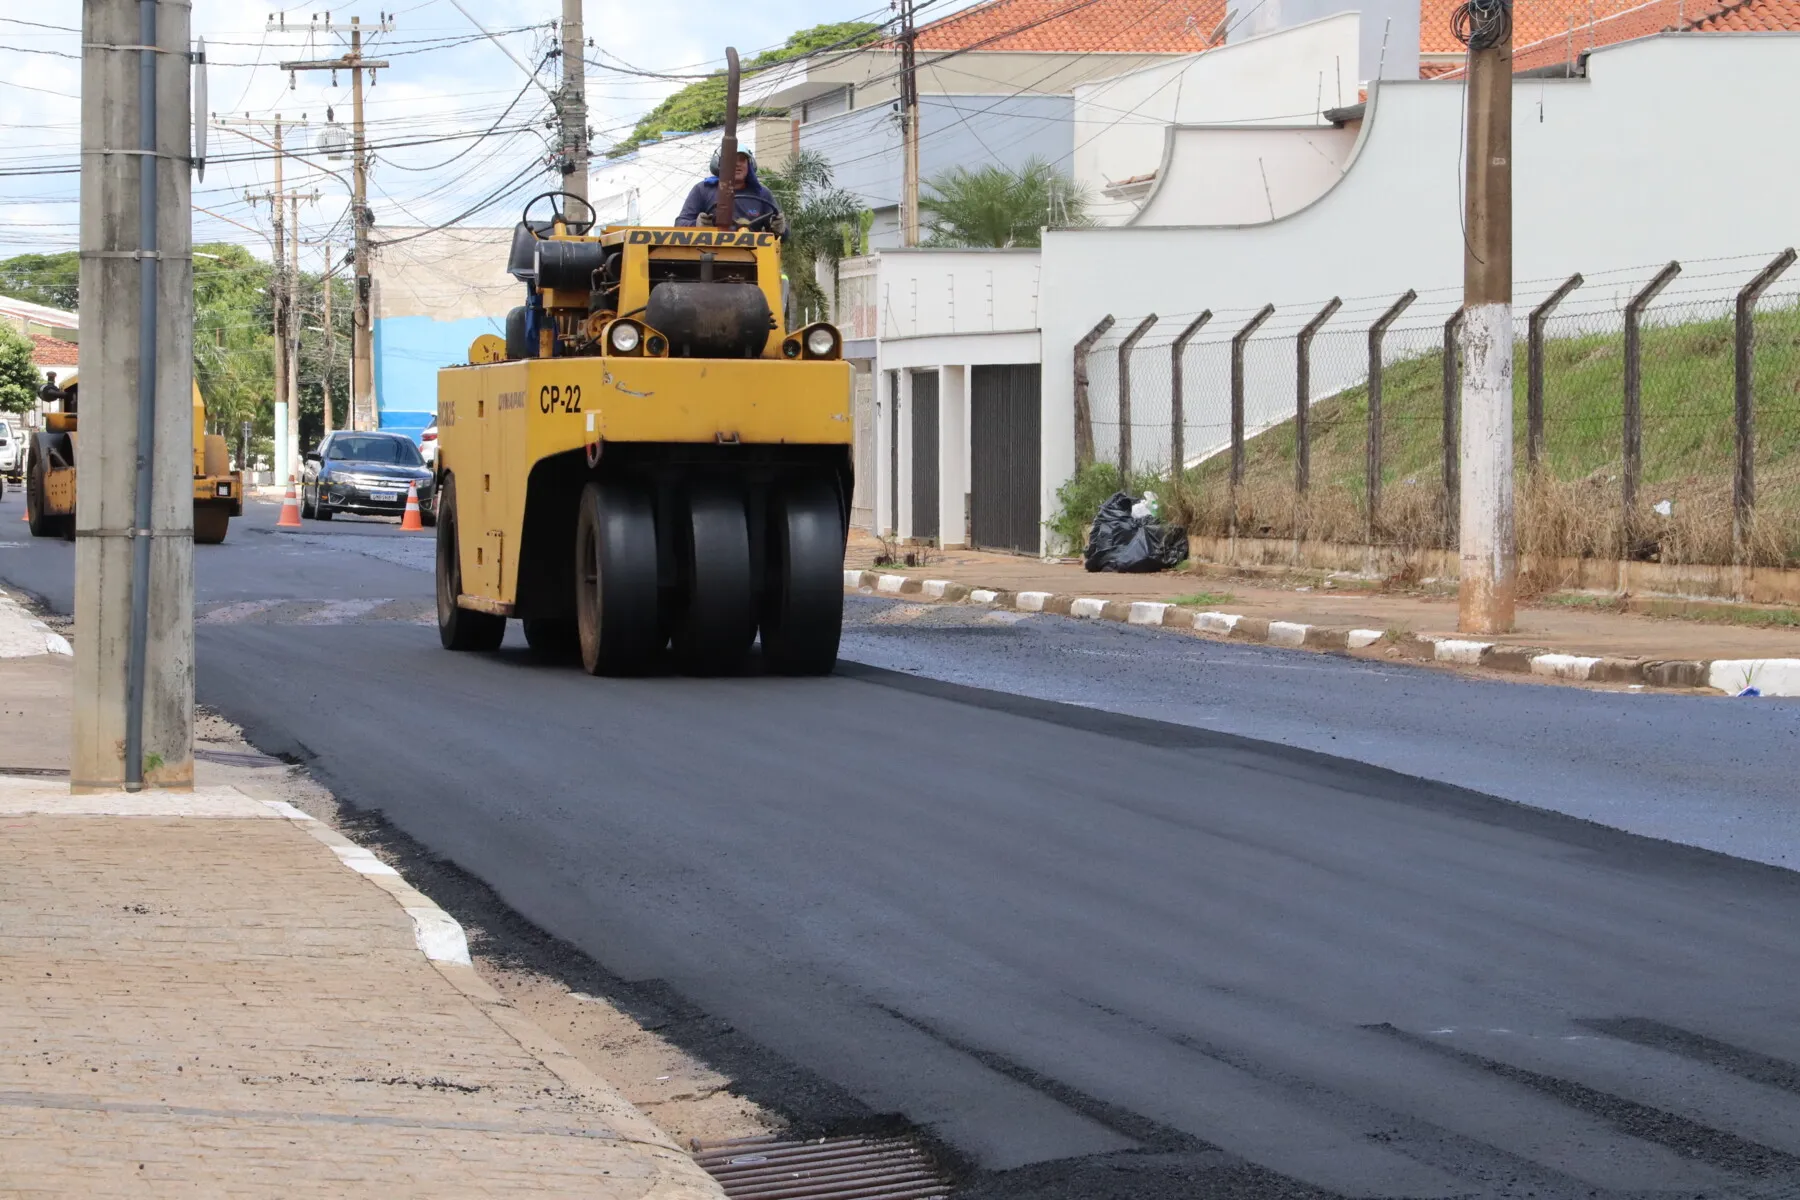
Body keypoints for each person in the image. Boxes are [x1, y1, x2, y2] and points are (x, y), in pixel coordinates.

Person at [674, 148, 787, 236]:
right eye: (731, 159)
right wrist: (696, 225)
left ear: (750, 165)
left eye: (742, 159)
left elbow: (782, 235)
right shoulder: (703, 189)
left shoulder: (762, 193)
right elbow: (679, 224)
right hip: (708, 258)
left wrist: (780, 228)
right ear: (719, 164)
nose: (737, 164)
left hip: (753, 258)